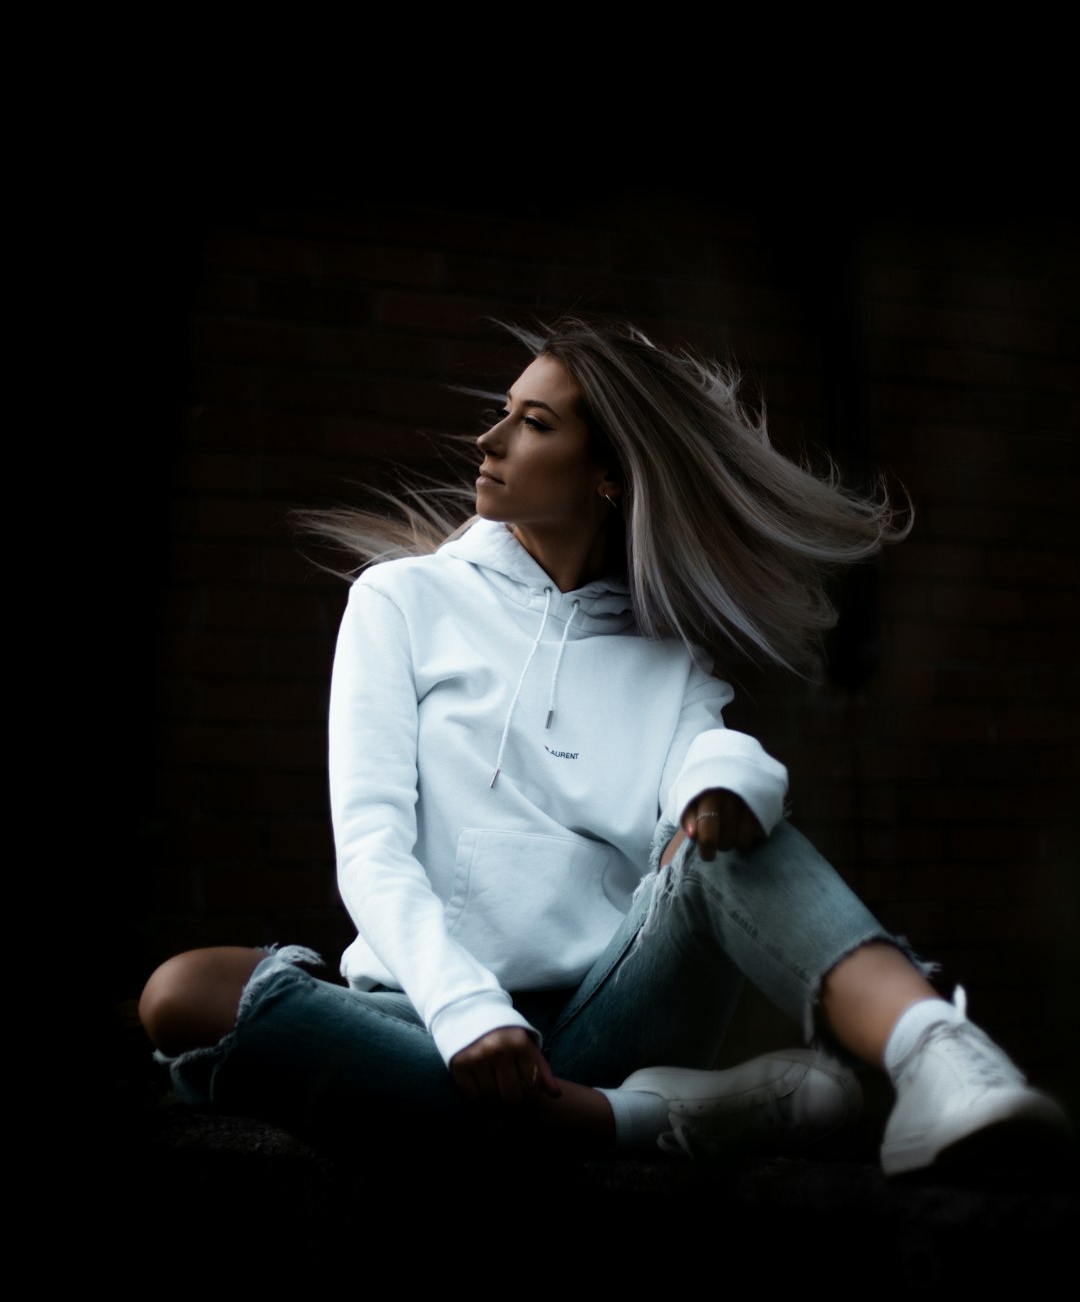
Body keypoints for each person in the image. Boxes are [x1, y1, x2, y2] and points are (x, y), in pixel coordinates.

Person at [138, 317, 1070, 1179]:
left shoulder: (668, 655)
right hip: (423, 1018)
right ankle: (618, 1121)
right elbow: (372, 848)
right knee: (186, 993)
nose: (489, 441)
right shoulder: (401, 601)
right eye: (501, 414)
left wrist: (723, 787)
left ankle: (942, 1059)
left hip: (610, 1015)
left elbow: (711, 753)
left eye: (533, 422)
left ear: (608, 475)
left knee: (724, 836)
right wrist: (467, 1015)